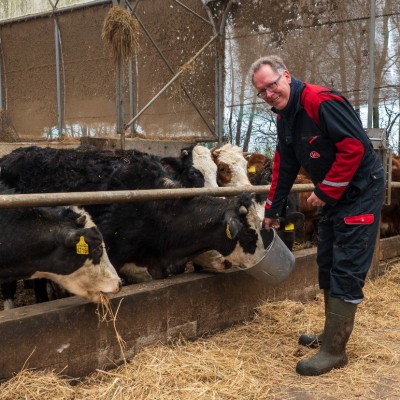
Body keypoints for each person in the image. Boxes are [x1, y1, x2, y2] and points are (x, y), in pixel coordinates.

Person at [249, 55, 385, 376]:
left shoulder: (319, 102)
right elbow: (284, 165)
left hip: (360, 192)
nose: (269, 94)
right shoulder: (285, 117)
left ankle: (335, 352)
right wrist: (272, 210)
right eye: (262, 92)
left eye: (272, 85)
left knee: (346, 264)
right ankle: (330, 336)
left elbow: (354, 147)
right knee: (326, 259)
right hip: (336, 195)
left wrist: (325, 191)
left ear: (286, 75)